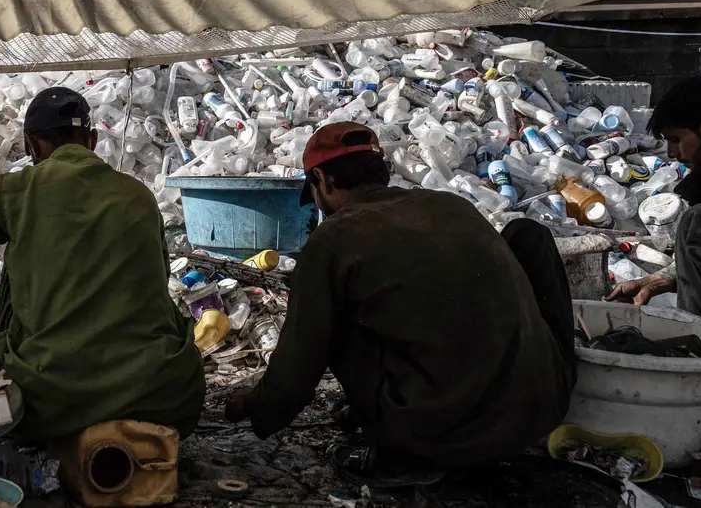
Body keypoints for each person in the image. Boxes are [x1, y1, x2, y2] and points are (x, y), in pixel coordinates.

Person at [225, 122, 576, 487]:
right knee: (526, 235)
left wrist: (255, 407)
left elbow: (300, 362)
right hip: (541, 408)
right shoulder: (451, 205)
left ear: (322, 180)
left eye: (314, 191)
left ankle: (400, 455)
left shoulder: (334, 238)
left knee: (332, 309)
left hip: (447, 435)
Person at [0, 86, 205, 441]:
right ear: (93, 139)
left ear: (33, 145)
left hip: (51, 400)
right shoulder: (138, 196)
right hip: (159, 397)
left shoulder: (16, 191)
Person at [609, 75, 701, 313]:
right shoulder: (698, 184)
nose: (671, 153)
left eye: (676, 139)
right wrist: (651, 283)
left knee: (698, 220)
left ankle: (696, 336)